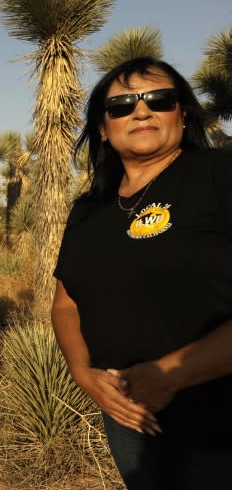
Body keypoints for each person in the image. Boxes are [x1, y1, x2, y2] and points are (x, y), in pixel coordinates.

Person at [52, 57, 232, 489]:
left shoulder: (219, 174)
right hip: (128, 416)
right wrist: (84, 374)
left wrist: (170, 374)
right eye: (122, 105)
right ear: (102, 126)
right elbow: (65, 304)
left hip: (221, 416)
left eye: (159, 99)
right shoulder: (88, 211)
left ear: (183, 112)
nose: (141, 110)